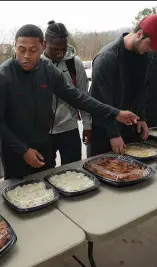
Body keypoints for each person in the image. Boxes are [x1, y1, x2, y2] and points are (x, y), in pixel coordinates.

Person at [0, 24, 140, 180]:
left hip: (44, 147)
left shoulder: (48, 71)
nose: (26, 56)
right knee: (19, 194)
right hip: (15, 152)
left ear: (42, 47)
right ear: (15, 47)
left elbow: (79, 98)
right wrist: (23, 151)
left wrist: (116, 113)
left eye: (33, 50)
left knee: (47, 190)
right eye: (21, 49)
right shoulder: (1, 76)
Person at [89, 15, 157, 156]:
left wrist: (142, 118)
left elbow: (142, 89)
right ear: (139, 34)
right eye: (149, 45)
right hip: (105, 129)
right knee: (103, 169)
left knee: (130, 171)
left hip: (130, 127)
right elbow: (102, 100)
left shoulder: (146, 57)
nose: (150, 50)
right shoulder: (107, 58)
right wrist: (113, 134)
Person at [41, 20, 91, 165]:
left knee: (73, 174)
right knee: (44, 174)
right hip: (43, 134)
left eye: (63, 49)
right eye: (55, 49)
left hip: (69, 129)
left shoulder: (74, 64)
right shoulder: (36, 64)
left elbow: (84, 97)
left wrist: (87, 126)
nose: (60, 53)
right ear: (44, 44)